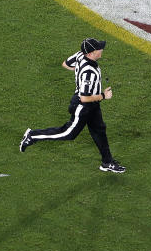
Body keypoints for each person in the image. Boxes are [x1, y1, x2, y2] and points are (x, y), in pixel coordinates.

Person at [19, 38, 126, 173]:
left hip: (93, 105)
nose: (101, 49)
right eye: (99, 48)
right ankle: (32, 136)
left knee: (99, 131)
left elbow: (65, 64)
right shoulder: (89, 72)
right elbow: (85, 98)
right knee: (68, 133)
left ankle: (107, 162)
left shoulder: (81, 54)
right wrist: (104, 96)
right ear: (91, 53)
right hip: (83, 106)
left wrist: (79, 73)